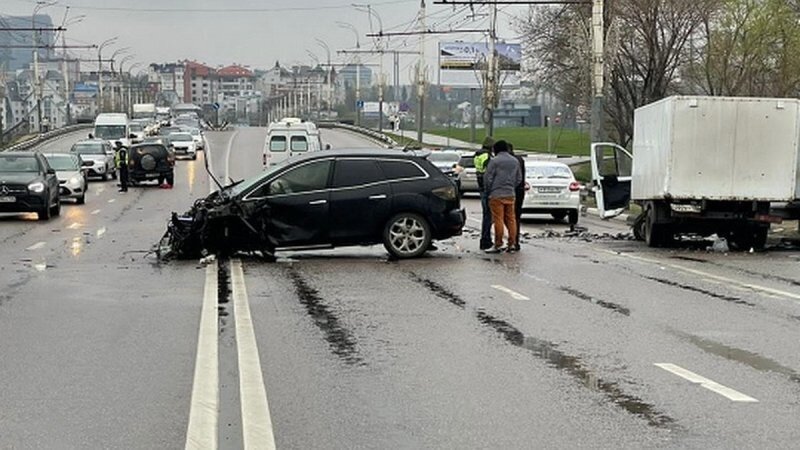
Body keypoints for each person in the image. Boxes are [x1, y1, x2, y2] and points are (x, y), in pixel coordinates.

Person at [484, 140, 522, 253]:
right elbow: (519, 178)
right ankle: (512, 244)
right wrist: (511, 186)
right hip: (510, 194)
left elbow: (488, 178)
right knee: (511, 219)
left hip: (496, 194)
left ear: (496, 150)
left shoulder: (494, 161)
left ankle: (498, 244)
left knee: (498, 219)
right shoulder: (515, 161)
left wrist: (488, 190)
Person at [474, 136, 495, 250]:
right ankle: (486, 240)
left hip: (481, 187)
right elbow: (489, 173)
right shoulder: (487, 156)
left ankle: (484, 239)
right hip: (487, 189)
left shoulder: (477, 155)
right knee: (488, 216)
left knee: (486, 215)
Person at [509, 144, 527, 251]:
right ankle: (516, 241)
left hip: (510, 190)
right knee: (516, 217)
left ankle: (511, 240)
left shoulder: (510, 161)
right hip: (520, 190)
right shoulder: (520, 159)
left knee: (508, 217)